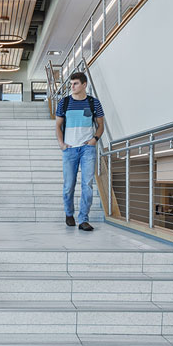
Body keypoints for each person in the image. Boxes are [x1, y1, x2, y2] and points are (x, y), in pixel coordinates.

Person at [55, 71, 105, 232]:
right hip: (69, 149)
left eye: (75, 83)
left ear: (84, 85)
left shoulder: (93, 103)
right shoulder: (64, 102)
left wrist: (94, 140)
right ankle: (69, 213)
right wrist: (62, 144)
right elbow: (58, 125)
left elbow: (101, 125)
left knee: (87, 185)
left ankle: (83, 219)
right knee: (69, 185)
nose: (72, 86)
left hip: (87, 149)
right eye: (71, 84)